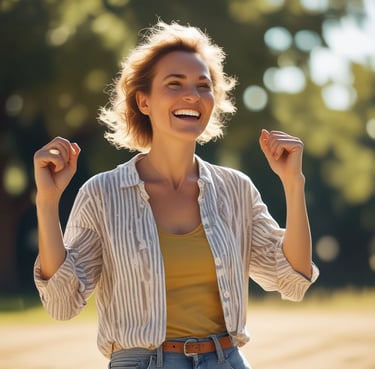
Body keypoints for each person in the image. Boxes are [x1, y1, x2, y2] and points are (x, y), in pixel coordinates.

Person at [33, 21, 319, 369]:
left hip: (227, 360)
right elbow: (63, 303)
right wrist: (47, 203)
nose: (192, 96)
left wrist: (293, 183)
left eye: (203, 86)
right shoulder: (102, 194)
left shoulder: (236, 190)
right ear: (144, 101)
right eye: (175, 84)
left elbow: (292, 279)